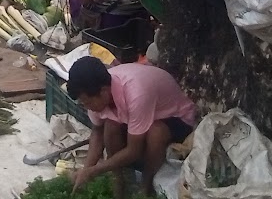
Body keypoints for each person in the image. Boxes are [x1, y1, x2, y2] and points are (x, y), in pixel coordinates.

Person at [65, 56, 198, 197]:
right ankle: (118, 180)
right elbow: (97, 132)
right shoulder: (96, 91)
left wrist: (94, 171)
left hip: (176, 117)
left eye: (87, 103)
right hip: (142, 114)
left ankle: (146, 186)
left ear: (103, 92)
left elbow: (134, 150)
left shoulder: (136, 93)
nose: (87, 107)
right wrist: (86, 170)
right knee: (110, 126)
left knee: (156, 133)